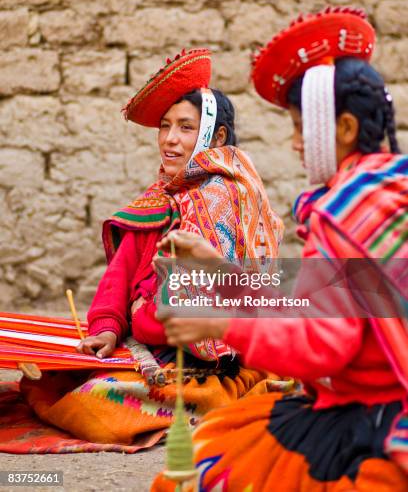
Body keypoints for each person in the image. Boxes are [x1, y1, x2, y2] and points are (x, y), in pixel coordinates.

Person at [153, 10, 408, 490]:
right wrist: (222, 272)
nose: (293, 144)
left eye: (298, 128)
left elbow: (323, 342)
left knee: (202, 463)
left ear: (346, 129)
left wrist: (220, 322)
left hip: (367, 419)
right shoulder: (387, 192)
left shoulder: (342, 216)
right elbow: (319, 297)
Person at [19, 48, 284, 447]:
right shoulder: (162, 195)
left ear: (217, 137)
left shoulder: (228, 199)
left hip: (209, 365)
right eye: (164, 126)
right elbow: (121, 272)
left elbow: (201, 315)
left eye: (185, 128)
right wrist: (108, 328)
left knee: (95, 404)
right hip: (146, 348)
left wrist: (143, 320)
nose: (170, 140)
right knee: (53, 376)